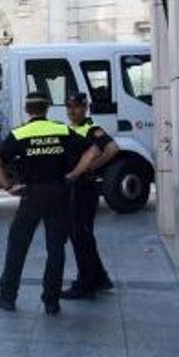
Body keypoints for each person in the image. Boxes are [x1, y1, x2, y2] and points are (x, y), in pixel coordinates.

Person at [0, 92, 101, 315]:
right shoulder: (61, 130)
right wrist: (75, 174)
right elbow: (94, 150)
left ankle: (7, 297)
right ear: (47, 109)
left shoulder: (20, 134)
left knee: (18, 245)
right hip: (59, 194)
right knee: (56, 249)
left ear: (27, 110)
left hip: (32, 196)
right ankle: (51, 301)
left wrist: (9, 188)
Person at [61, 92, 119, 299]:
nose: (71, 111)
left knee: (80, 236)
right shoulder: (69, 130)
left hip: (84, 189)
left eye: (76, 107)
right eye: (69, 107)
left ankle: (85, 284)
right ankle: (100, 278)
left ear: (84, 108)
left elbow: (112, 148)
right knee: (82, 236)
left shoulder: (92, 129)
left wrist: (90, 167)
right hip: (73, 189)